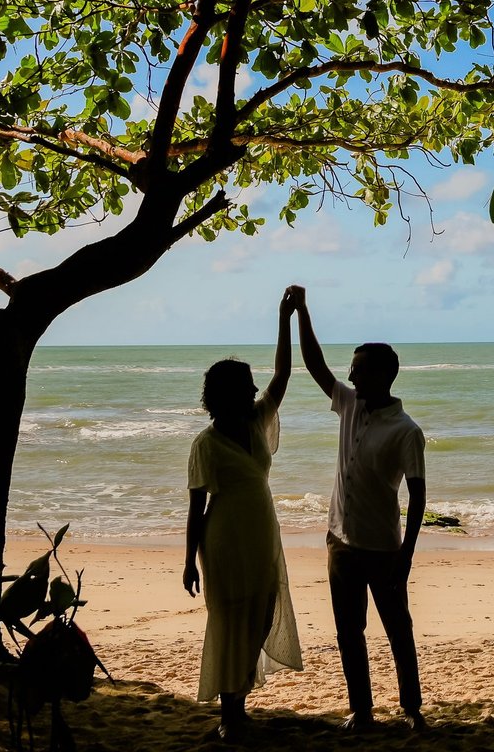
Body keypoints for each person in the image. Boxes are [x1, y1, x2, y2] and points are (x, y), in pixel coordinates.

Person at [294, 285, 427, 732]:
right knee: (348, 633)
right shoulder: (350, 405)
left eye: (358, 371)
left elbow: (417, 495)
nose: (350, 378)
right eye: (351, 370)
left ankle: (411, 709)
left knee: (397, 631)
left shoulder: (406, 431)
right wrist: (301, 312)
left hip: (383, 549)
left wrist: (406, 555)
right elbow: (314, 365)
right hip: (341, 545)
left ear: (383, 377)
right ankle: (362, 710)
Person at [183, 288, 304, 737]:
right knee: (230, 621)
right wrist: (189, 561)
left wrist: (285, 318)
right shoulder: (206, 444)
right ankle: (228, 714)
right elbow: (196, 509)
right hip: (225, 543)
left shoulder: (255, 422)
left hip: (262, 538)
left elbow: (283, 375)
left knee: (258, 617)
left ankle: (239, 706)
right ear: (225, 393)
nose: (255, 389)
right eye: (246, 384)